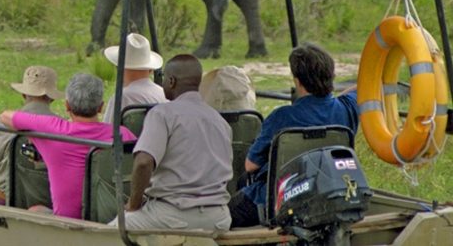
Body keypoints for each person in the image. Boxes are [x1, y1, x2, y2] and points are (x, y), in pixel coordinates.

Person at [229, 43, 358, 228]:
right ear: (331, 75)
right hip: (328, 193)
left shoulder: (282, 117)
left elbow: (250, 165)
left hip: (276, 201)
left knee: (227, 213)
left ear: (298, 81)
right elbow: (363, 86)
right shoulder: (348, 108)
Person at [113, 54, 233, 232]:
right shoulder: (220, 121)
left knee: (110, 232)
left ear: (171, 81)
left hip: (174, 214)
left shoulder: (162, 114)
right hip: (218, 218)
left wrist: (133, 203)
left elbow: (144, 162)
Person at [0, 73, 136, 219]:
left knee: (35, 209)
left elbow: (5, 116)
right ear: (100, 107)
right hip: (110, 219)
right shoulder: (123, 134)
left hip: (67, 222)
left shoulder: (53, 129)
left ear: (67, 105)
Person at [0, 65, 62, 205]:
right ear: (52, 98)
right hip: (51, 202)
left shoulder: (3, 125)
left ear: (24, 95)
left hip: (7, 200)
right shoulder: (64, 127)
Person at [102, 33, 167, 123]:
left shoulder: (120, 98)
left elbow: (108, 130)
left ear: (119, 67)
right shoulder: (164, 95)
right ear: (151, 69)